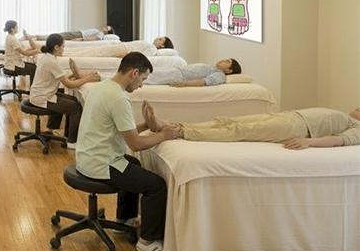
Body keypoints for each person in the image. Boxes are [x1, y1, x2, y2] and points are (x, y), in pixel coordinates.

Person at [75, 52, 182, 251]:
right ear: (134, 73)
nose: (141, 85)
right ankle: (148, 241)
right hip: (101, 164)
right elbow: (135, 143)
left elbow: (122, 131)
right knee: (156, 186)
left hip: (87, 158)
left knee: (132, 164)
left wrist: (146, 125)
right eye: (143, 79)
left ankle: (124, 220)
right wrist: (163, 135)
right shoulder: (118, 97)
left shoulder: (102, 88)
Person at [144, 104, 360, 148]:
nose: (356, 106)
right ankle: (171, 125)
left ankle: (180, 132)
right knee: (229, 121)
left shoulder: (357, 129)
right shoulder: (346, 116)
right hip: (290, 116)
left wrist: (308, 142)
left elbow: (339, 140)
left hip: (296, 129)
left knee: (239, 131)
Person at [29, 34, 101, 147]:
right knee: (75, 107)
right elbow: (69, 84)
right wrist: (88, 78)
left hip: (40, 94)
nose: (64, 49)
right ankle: (72, 141)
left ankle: (55, 131)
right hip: (42, 98)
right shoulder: (51, 61)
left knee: (72, 99)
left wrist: (74, 73)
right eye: (63, 46)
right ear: (56, 47)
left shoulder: (47, 57)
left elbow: (61, 77)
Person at [145, 58, 241, 87]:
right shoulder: (214, 68)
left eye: (227, 62)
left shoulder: (220, 75)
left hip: (178, 75)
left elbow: (204, 82)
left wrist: (184, 83)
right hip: (177, 70)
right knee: (149, 71)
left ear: (229, 70)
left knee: (148, 76)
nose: (223, 60)